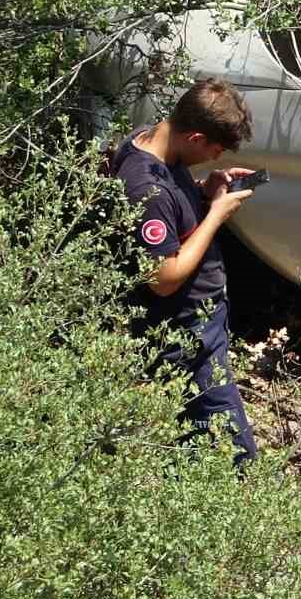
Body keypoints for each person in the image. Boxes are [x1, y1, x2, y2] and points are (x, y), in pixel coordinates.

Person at [108, 78, 260, 466]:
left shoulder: (151, 140)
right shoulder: (147, 188)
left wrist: (201, 190)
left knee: (203, 439)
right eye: (215, 149)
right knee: (231, 451)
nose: (215, 157)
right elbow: (163, 277)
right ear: (194, 136)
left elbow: (172, 207)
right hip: (184, 330)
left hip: (200, 323)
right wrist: (216, 215)